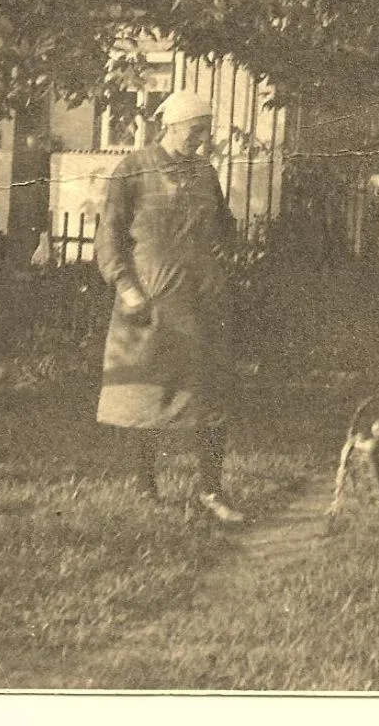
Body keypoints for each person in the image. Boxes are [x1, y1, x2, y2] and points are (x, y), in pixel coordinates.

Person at [95, 89, 244, 525]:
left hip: (200, 305)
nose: (201, 140)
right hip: (148, 305)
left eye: (205, 132)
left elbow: (224, 226)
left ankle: (211, 491)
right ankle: (146, 489)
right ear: (170, 127)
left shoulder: (205, 173)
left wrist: (219, 257)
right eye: (194, 131)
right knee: (145, 398)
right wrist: (127, 288)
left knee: (210, 398)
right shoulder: (133, 169)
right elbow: (109, 237)